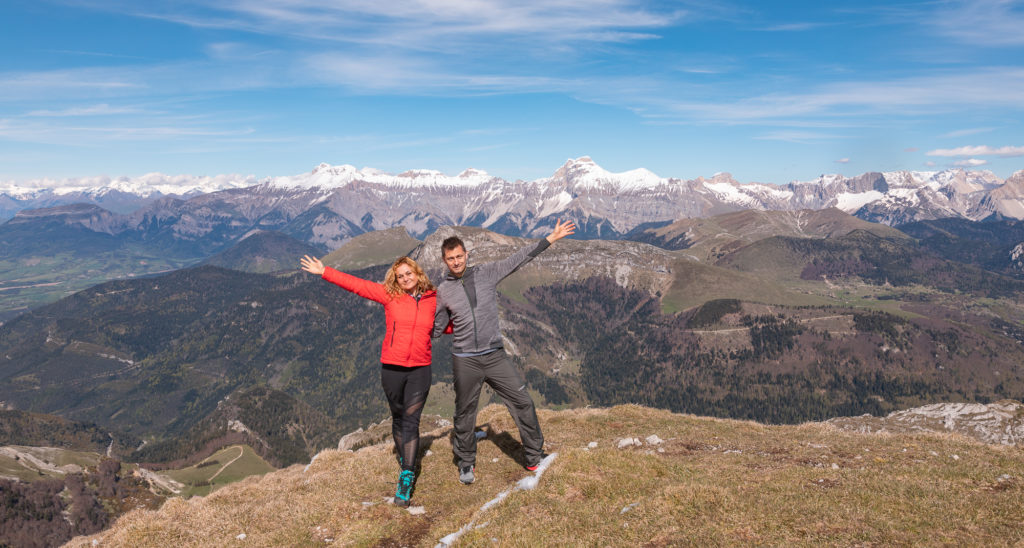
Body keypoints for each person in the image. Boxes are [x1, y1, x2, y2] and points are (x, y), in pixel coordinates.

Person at [433, 219, 576, 485]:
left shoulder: (488, 272)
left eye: (459, 256)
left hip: (495, 355)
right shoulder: (443, 290)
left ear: (466, 254)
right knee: (465, 414)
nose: (456, 262)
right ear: (444, 261)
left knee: (523, 402)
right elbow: (437, 327)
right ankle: (466, 463)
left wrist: (551, 238)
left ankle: (535, 457)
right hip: (465, 360)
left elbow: (519, 259)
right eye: (450, 258)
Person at [300, 254, 436, 507]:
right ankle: (405, 459)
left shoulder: (432, 298)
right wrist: (325, 272)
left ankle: (406, 475)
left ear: (418, 274)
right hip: (392, 368)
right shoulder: (389, 295)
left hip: (420, 369)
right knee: (397, 416)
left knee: (411, 420)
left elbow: (446, 322)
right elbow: (357, 285)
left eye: (409, 273)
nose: (406, 278)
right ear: (396, 279)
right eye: (401, 275)